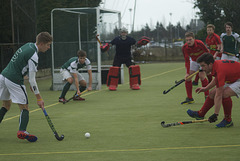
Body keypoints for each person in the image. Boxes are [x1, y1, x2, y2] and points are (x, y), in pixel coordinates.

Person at [0, 32, 53, 142]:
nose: (49, 47)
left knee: (6, 105)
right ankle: (22, 131)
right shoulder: (34, 55)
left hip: (3, 76)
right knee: (24, 107)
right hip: (14, 79)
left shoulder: (28, 45)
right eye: (48, 45)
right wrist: (39, 98)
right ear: (42, 44)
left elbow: (19, 62)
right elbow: (32, 80)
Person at [187, 53, 240, 127]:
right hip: (233, 78)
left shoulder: (219, 70)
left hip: (238, 79)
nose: (202, 68)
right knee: (212, 93)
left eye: (203, 65)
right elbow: (216, 79)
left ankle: (228, 120)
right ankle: (201, 114)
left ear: (210, 64)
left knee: (224, 94)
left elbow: (219, 95)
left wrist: (215, 114)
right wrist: (206, 88)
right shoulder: (216, 66)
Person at [181, 32, 209, 104]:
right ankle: (190, 98)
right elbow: (187, 61)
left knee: (202, 76)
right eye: (187, 40)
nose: (188, 42)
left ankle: (207, 97)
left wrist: (205, 64)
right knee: (188, 78)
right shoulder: (184, 47)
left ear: (194, 39)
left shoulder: (200, 44)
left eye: (190, 40)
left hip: (203, 60)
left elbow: (207, 53)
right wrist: (187, 73)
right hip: (194, 61)